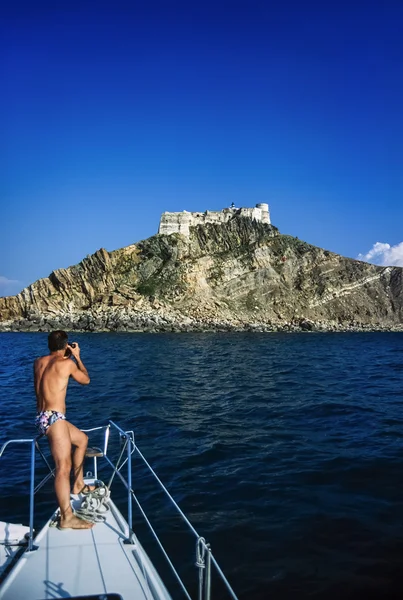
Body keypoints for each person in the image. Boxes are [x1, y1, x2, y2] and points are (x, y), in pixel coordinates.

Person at [34, 330, 95, 530]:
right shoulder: (67, 363)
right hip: (55, 417)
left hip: (43, 417)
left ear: (49, 345)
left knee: (82, 440)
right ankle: (66, 516)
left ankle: (78, 484)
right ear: (66, 345)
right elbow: (86, 380)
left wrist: (66, 354)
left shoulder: (39, 362)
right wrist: (77, 357)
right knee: (62, 468)